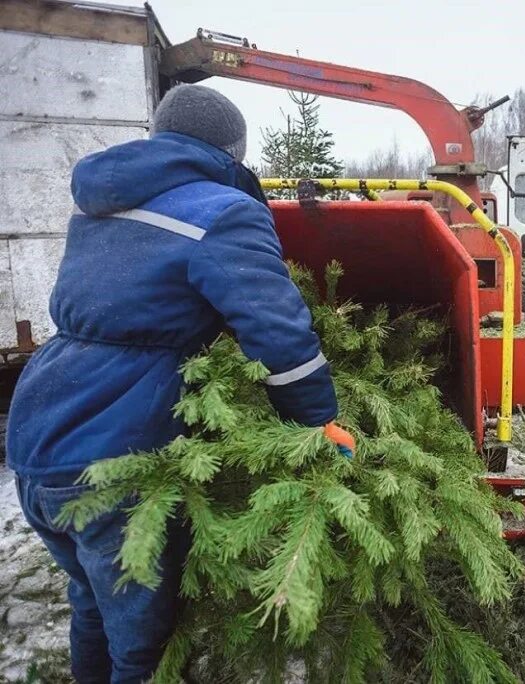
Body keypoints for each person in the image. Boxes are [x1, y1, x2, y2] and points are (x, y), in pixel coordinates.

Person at [5, 84, 355, 683]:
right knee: (144, 649)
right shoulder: (223, 211)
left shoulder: (102, 201)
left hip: (36, 432)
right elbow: (280, 336)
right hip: (111, 451)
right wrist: (315, 422)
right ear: (230, 151)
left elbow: (134, 306)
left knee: (91, 604)